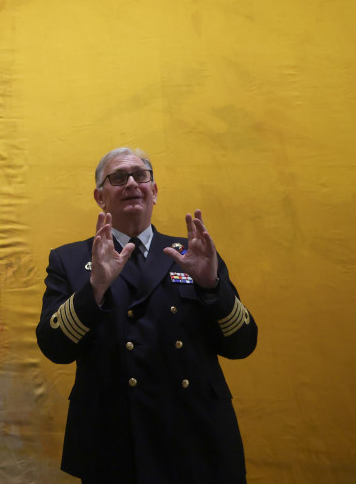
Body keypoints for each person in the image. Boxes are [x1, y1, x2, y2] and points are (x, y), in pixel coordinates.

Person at [36, 147, 257, 484]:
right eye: (118, 177)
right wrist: (94, 288)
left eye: (141, 176)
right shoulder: (70, 259)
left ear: (154, 191)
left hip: (196, 433)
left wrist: (212, 286)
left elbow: (242, 343)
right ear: (100, 196)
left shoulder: (193, 252)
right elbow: (55, 348)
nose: (131, 184)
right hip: (114, 439)